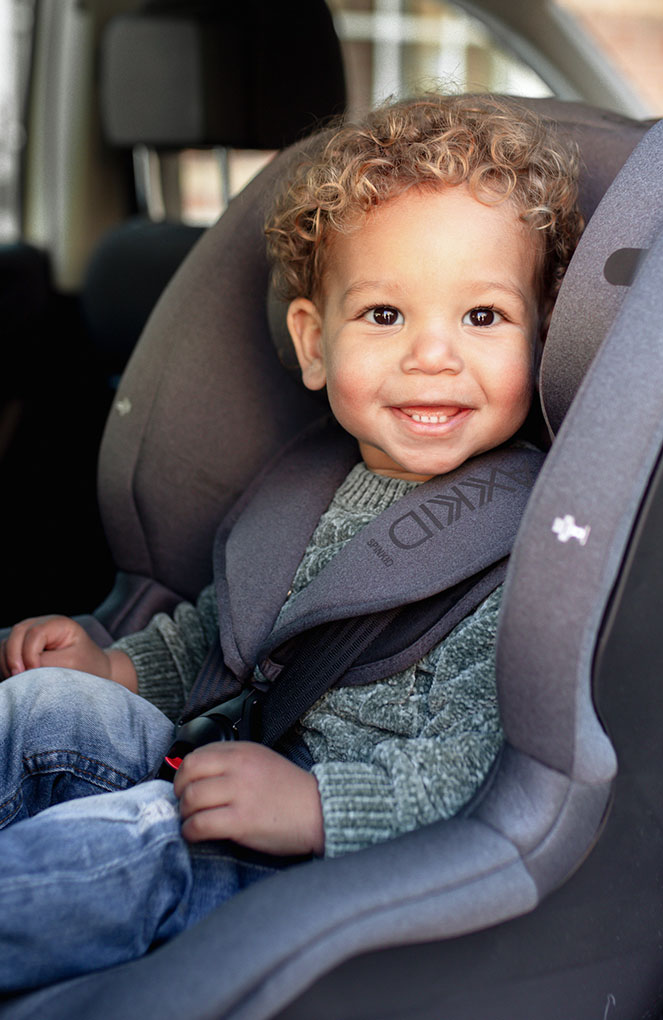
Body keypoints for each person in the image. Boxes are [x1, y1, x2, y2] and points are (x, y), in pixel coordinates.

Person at [0, 94, 582, 990]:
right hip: (217, 758)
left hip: (322, 863)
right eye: (385, 315)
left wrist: (315, 806)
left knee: (128, 846)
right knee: (41, 707)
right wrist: (112, 670)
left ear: (541, 338)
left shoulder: (526, 551)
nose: (433, 353)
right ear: (315, 344)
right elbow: (218, 636)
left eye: (482, 317)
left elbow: (479, 767)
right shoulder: (300, 485)